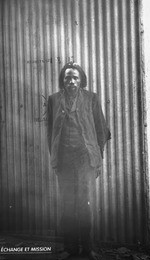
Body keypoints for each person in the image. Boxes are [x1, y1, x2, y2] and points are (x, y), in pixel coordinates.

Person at [47, 62, 111, 260]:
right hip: (65, 161)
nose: (71, 81)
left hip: (85, 161)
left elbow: (101, 130)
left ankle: (88, 249)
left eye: (75, 77)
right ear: (62, 80)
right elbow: (50, 133)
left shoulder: (91, 98)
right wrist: (56, 160)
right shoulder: (54, 100)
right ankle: (69, 248)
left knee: (85, 205)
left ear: (81, 79)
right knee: (67, 206)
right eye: (67, 78)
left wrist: (97, 158)